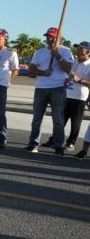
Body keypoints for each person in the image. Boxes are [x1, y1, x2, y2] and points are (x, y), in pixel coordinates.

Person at [25, 27, 74, 155]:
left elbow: (68, 70)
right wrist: (43, 72)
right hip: (41, 88)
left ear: (59, 38)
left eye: (52, 36)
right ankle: (33, 143)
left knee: (58, 119)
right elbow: (31, 69)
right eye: (48, 36)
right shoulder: (40, 52)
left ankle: (59, 146)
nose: (49, 39)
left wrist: (57, 55)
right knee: (37, 118)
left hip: (58, 88)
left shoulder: (66, 51)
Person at [40, 41, 90, 152]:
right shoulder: (73, 61)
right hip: (66, 94)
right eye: (78, 48)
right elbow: (64, 70)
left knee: (76, 122)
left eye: (81, 48)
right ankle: (54, 139)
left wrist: (80, 80)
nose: (78, 50)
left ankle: (71, 142)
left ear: (88, 52)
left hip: (79, 97)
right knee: (60, 120)